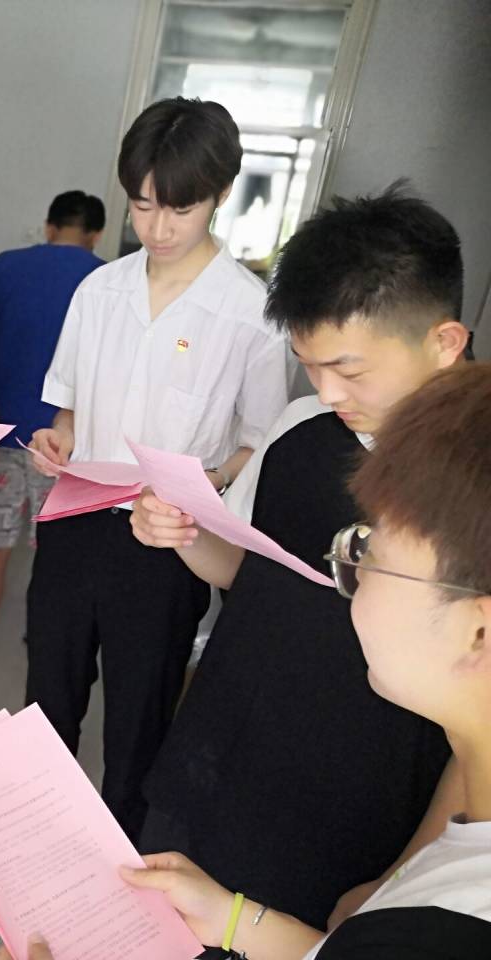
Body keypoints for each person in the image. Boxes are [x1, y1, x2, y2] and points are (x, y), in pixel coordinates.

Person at [132, 186, 468, 935]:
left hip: (350, 826)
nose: (327, 391)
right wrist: (185, 532)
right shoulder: (301, 429)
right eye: (309, 365)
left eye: (349, 369)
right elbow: (250, 573)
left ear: (444, 342)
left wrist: (405, 875)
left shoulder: (471, 485)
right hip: (210, 766)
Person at [121, 362, 491, 960]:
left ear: (478, 630)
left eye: (369, 553)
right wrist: (235, 919)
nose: (348, 575)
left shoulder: (448, 926)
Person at [26, 97, 289, 840]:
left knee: (140, 716)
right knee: (48, 696)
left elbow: (260, 442)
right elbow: (69, 412)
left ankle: (120, 859)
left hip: (168, 539)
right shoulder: (99, 291)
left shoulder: (250, 315)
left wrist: (201, 487)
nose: (158, 228)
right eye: (143, 206)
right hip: (76, 517)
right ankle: (33, 842)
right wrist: (58, 439)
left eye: (180, 208)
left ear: (220, 194)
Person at [0, 190, 106, 697]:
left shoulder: (6, 266)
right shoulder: (107, 280)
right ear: (96, 234)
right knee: (54, 559)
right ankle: (40, 651)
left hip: (4, 433)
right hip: (66, 447)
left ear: (49, 227)